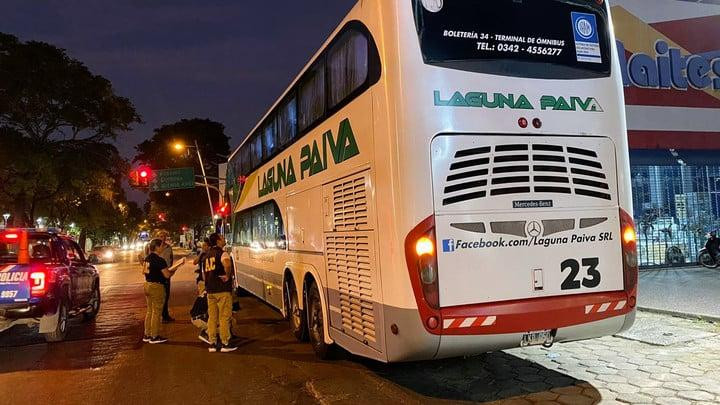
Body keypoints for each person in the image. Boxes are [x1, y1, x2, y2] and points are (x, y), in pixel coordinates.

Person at [142, 238, 181, 344]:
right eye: (162, 246)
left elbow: (144, 272)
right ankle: (154, 336)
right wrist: (174, 270)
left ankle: (147, 334)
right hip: (157, 286)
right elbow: (167, 275)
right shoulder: (160, 260)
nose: (163, 248)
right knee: (156, 312)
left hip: (147, 284)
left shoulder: (147, 259)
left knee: (150, 311)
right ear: (157, 247)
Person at [204, 233, 237, 352]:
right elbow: (227, 264)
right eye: (222, 238)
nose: (224, 239)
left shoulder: (206, 255)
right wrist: (228, 276)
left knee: (212, 317)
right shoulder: (222, 253)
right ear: (218, 241)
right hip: (222, 289)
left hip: (210, 290)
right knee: (224, 317)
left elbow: (204, 274)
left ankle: (212, 342)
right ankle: (225, 343)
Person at [157, 231, 175, 323]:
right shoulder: (153, 248)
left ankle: (165, 315)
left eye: (164, 236)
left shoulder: (169, 248)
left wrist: (171, 269)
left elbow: (171, 259)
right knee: (159, 296)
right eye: (160, 236)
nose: (162, 238)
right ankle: (160, 316)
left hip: (167, 273)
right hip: (158, 275)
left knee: (166, 295)